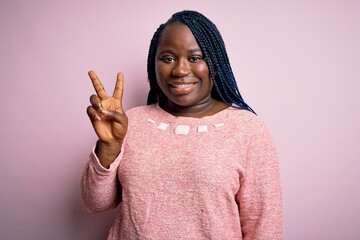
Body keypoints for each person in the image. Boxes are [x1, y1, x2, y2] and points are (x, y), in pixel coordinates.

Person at [81, 10, 282, 239]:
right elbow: (94, 203)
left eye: (195, 58)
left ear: (215, 64)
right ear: (153, 64)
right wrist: (109, 147)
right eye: (168, 58)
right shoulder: (130, 122)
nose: (180, 70)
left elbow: (264, 227)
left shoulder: (248, 130)